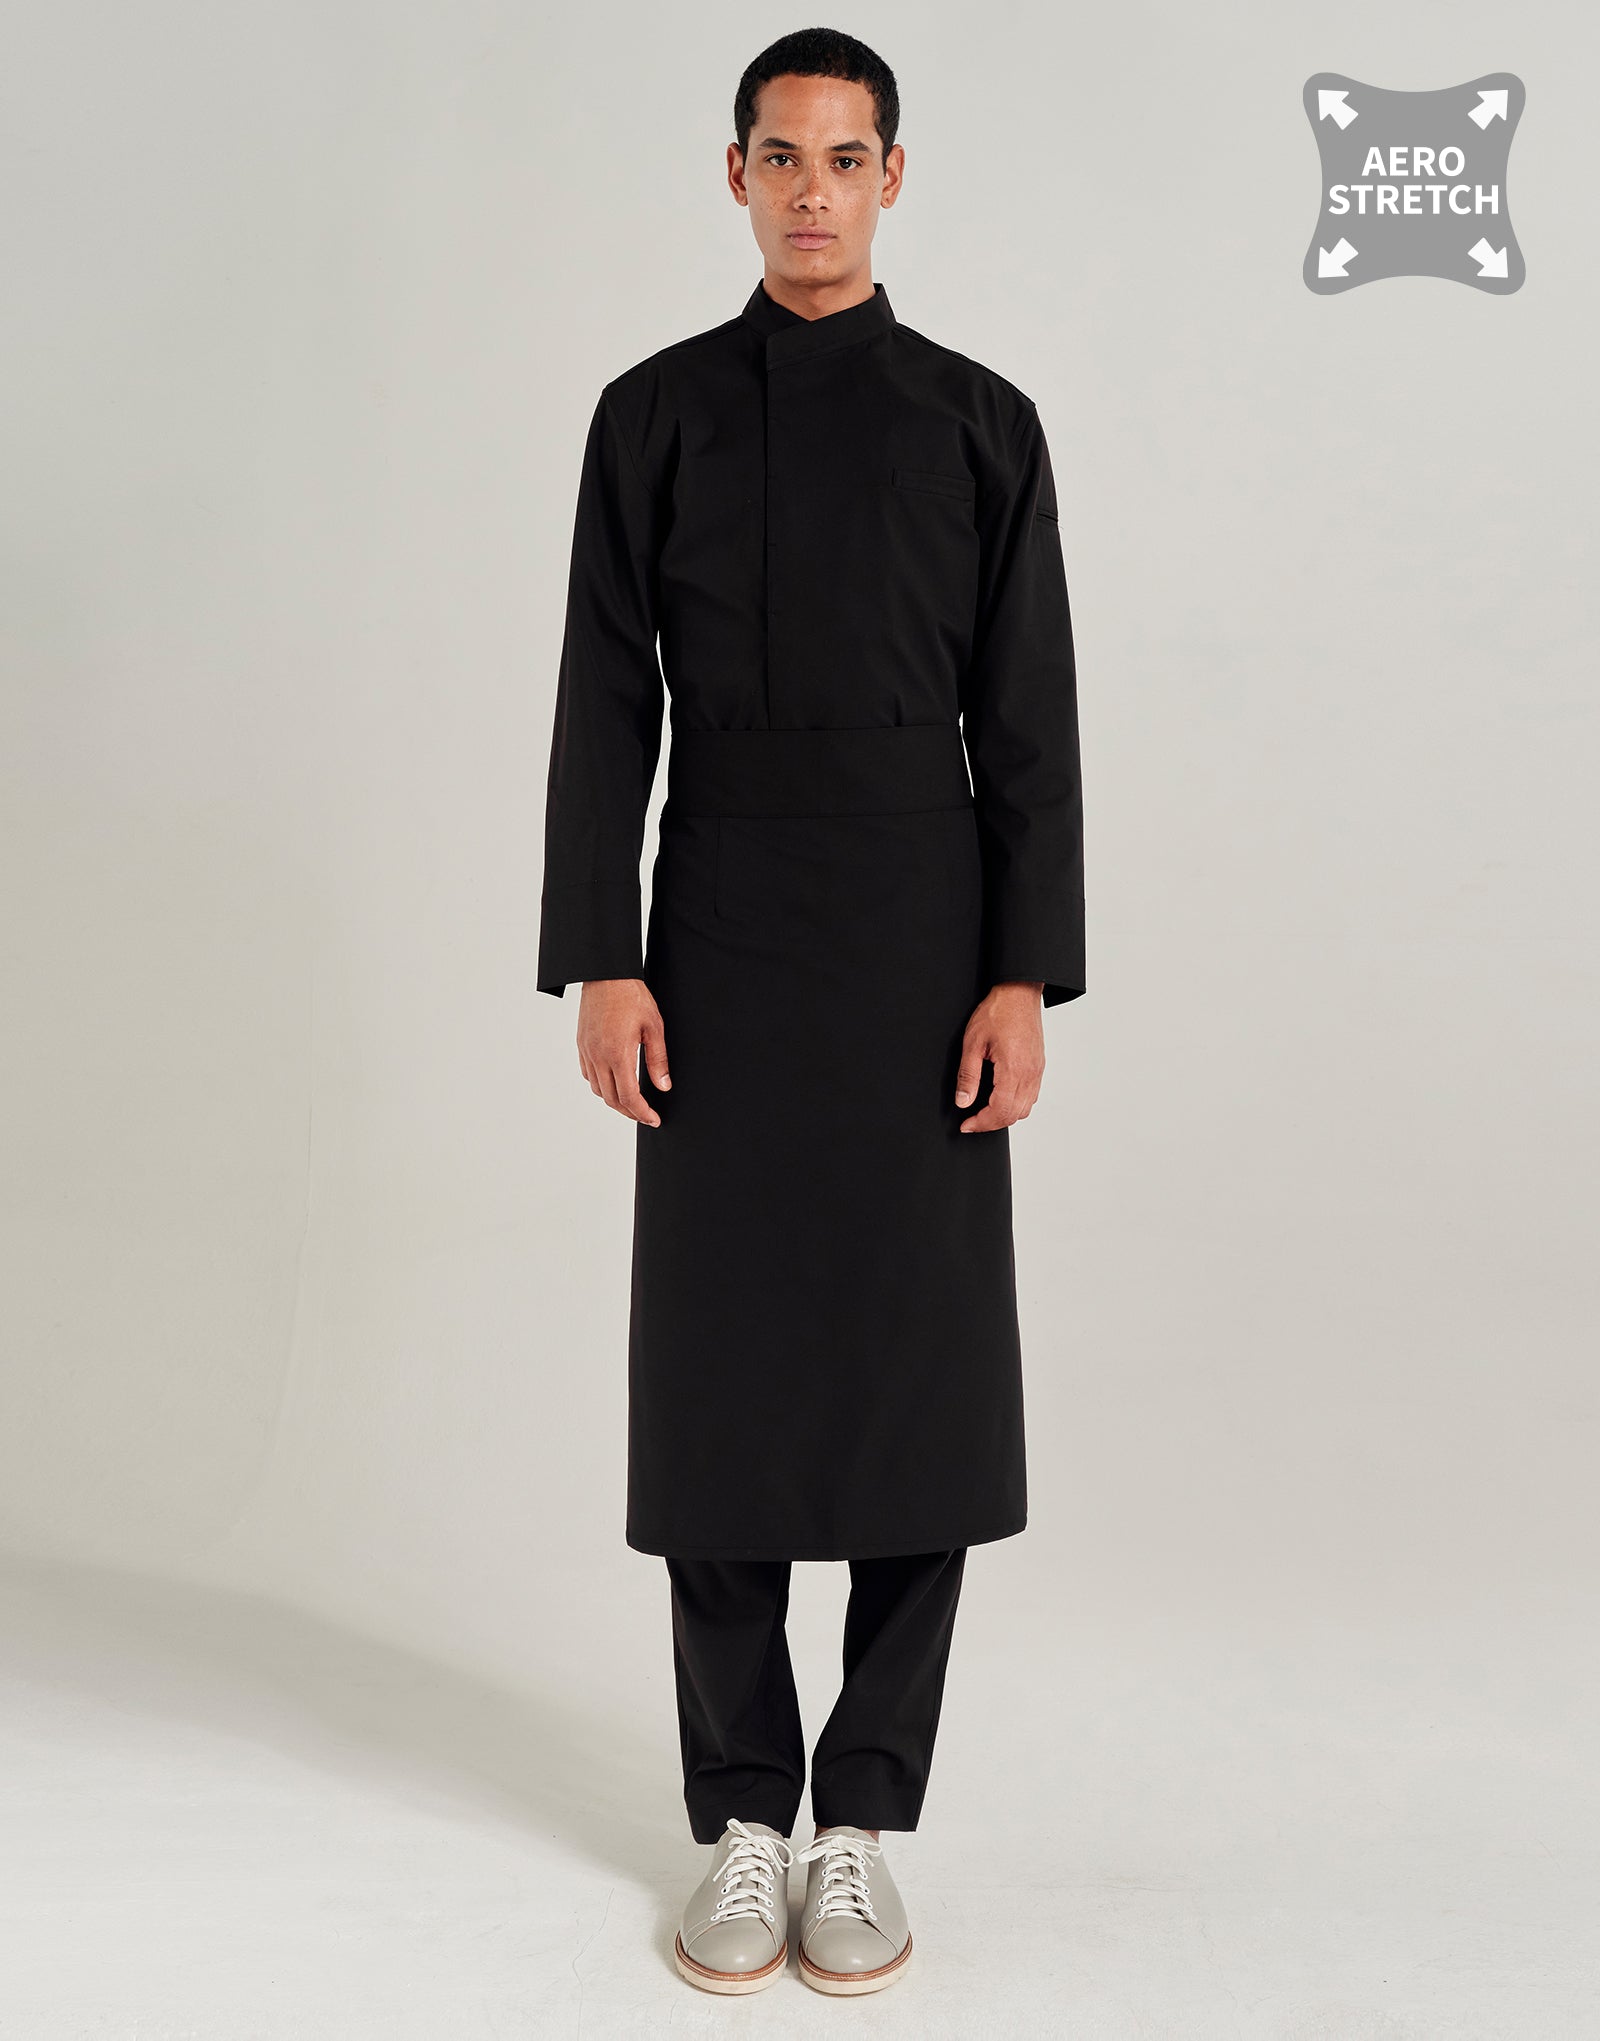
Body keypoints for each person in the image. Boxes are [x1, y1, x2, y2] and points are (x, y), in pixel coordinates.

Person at [537, 26, 1085, 1998]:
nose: (812, 192)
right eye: (780, 157)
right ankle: (744, 1815)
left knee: (919, 1373)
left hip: (924, 939)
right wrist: (601, 951)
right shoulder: (653, 417)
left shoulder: (982, 425)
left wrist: (1021, 968)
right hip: (716, 934)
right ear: (736, 174)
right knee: (723, 1372)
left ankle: (861, 1811)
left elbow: (1028, 717)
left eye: (845, 159)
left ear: (892, 177)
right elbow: (607, 698)